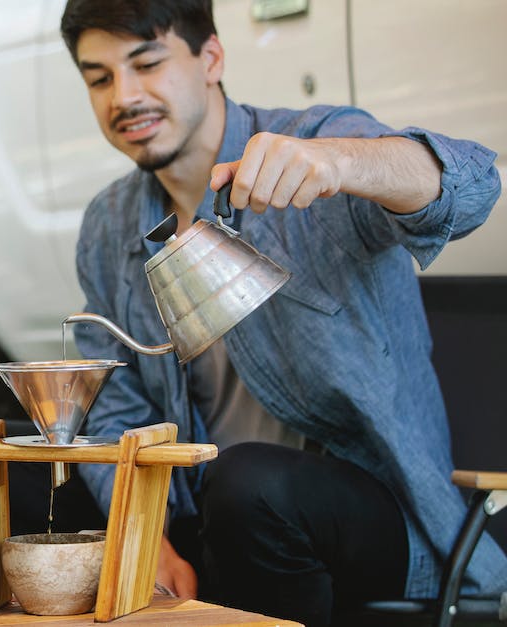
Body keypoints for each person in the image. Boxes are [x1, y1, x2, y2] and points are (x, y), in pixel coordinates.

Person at [59, 0, 506, 623]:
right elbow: (113, 405)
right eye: (99, 78)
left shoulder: (313, 145)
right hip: (203, 514)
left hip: (372, 514)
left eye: (147, 63)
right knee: (22, 471)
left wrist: (343, 164)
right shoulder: (108, 227)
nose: (124, 96)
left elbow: (476, 185)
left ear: (211, 57)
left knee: (248, 487)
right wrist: (146, 539)